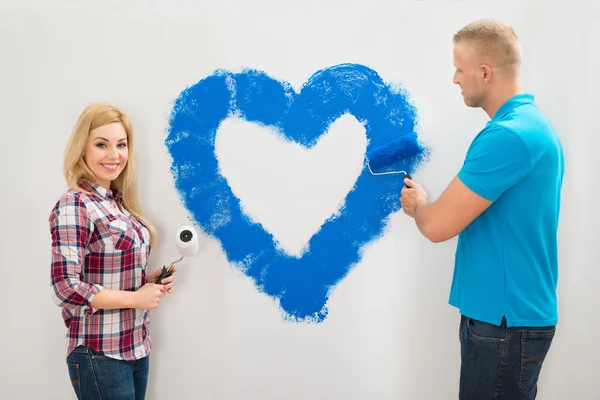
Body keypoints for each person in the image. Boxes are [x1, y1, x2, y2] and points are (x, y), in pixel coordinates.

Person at [399, 19, 564, 399]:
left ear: (485, 72)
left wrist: (419, 204)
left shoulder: (508, 136)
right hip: (508, 318)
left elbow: (438, 226)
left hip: (503, 324)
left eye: (459, 68)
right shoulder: (531, 126)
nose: (455, 78)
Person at [49, 103, 177, 399]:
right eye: (101, 144)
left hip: (135, 346)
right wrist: (135, 298)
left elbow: (112, 271)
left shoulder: (118, 204)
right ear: (82, 148)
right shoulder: (75, 204)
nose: (114, 154)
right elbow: (64, 288)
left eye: (121, 144)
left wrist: (150, 282)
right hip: (99, 353)